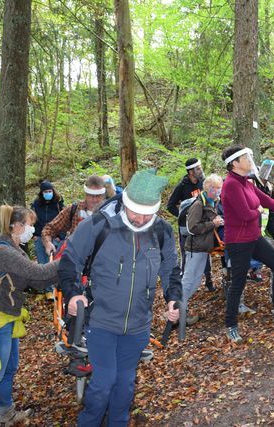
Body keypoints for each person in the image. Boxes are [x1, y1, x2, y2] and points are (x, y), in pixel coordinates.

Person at [58, 169, 182, 426]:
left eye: (146, 213)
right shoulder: (98, 225)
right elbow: (70, 261)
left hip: (137, 324)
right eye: (134, 211)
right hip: (101, 320)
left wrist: (174, 298)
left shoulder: (161, 231)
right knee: (104, 381)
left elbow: (170, 268)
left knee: (125, 384)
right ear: (124, 203)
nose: (139, 218)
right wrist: (72, 294)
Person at [0, 205, 59, 426]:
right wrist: (66, 258)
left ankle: (6, 413)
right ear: (17, 226)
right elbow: (37, 273)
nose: (32, 229)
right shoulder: (2, 252)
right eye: (30, 225)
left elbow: (36, 281)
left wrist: (57, 270)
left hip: (8, 316)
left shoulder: (16, 250)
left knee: (8, 368)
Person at [221, 146, 274, 343]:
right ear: (234, 163)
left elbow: (268, 202)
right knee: (238, 283)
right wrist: (258, 210)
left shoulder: (247, 182)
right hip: (238, 242)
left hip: (254, 238)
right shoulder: (231, 185)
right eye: (245, 157)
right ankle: (231, 325)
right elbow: (245, 215)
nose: (249, 159)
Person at [166, 158, 214, 291]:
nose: (201, 170)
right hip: (186, 229)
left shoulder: (203, 183)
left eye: (200, 167)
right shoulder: (182, 186)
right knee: (187, 256)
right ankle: (183, 287)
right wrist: (184, 217)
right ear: (191, 172)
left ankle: (209, 280)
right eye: (198, 168)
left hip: (201, 227)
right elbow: (170, 206)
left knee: (205, 251)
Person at [181, 174, 224, 325]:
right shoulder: (198, 204)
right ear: (206, 188)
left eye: (219, 188)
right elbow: (191, 228)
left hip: (204, 249)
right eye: (214, 188)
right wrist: (213, 224)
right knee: (188, 280)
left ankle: (181, 310)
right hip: (195, 248)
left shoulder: (214, 202)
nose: (217, 191)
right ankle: (178, 312)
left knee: (196, 281)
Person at [41, 175, 106, 257]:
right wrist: (47, 243)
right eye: (91, 195)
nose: (94, 199)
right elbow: (49, 228)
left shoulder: (109, 212)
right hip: (76, 260)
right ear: (85, 194)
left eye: (98, 196)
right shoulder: (74, 210)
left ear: (103, 196)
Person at [31, 180, 64, 300]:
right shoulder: (36, 204)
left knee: (51, 263)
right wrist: (33, 234)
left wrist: (61, 236)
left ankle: (50, 290)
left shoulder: (58, 204)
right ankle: (41, 290)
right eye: (45, 191)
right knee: (41, 263)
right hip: (39, 236)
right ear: (41, 193)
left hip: (53, 237)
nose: (48, 193)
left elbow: (64, 220)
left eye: (50, 191)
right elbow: (32, 220)